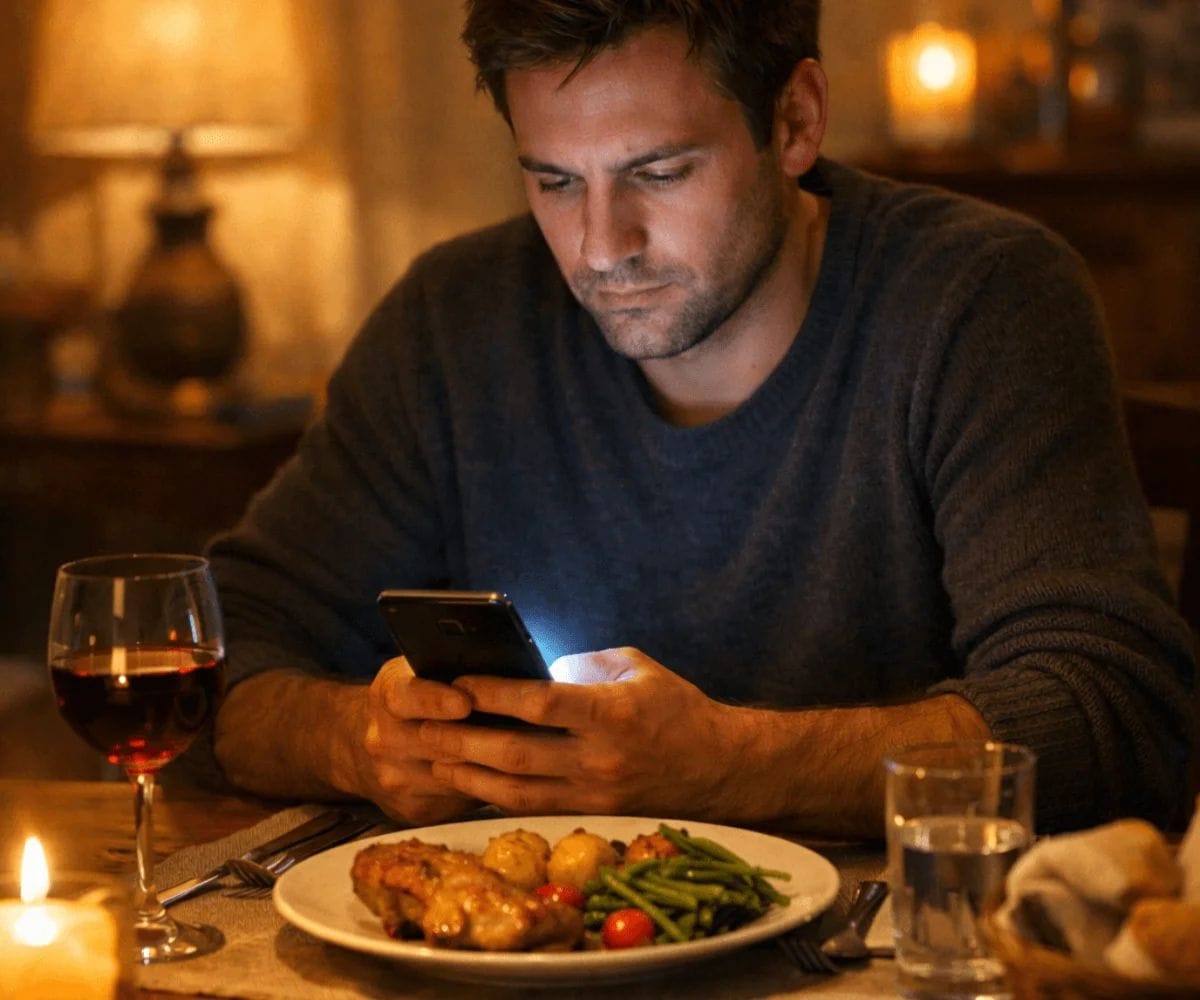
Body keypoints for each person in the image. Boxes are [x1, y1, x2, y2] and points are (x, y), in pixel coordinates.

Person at [203, 0, 1196, 836]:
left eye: (661, 172)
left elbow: (1114, 714)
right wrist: (357, 741)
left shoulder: (978, 297)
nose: (600, 247)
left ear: (796, 121)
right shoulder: (454, 320)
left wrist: (728, 764)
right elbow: (214, 647)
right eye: (553, 180)